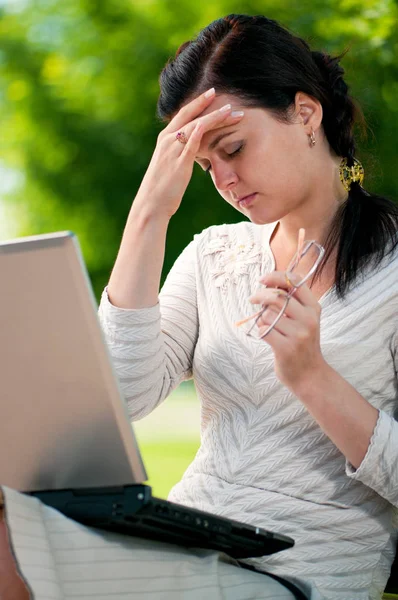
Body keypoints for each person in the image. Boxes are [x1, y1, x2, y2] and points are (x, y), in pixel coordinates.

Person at [1, 12, 397, 600]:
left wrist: (311, 376)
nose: (224, 180)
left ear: (306, 114)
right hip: (189, 544)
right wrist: (148, 214)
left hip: (298, 575)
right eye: (206, 165)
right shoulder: (216, 254)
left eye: (233, 148)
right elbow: (126, 395)